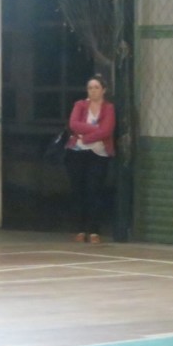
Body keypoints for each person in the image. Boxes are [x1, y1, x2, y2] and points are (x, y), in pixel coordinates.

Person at [64, 74, 116, 244]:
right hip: (77, 153)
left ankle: (94, 230)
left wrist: (86, 137)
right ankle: (80, 229)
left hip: (98, 154)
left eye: (96, 88)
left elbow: (106, 130)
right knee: (78, 190)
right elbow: (74, 124)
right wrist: (95, 129)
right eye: (90, 88)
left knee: (94, 190)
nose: (93, 91)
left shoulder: (108, 108)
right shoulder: (80, 105)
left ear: (103, 90)